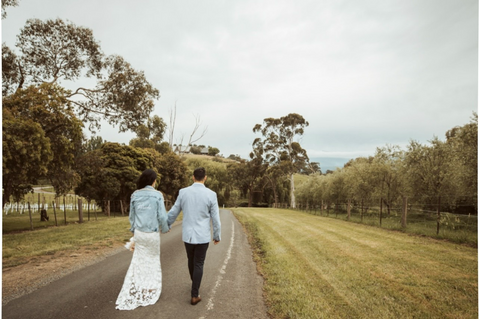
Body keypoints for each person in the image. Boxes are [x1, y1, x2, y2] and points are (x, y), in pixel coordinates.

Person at [116, 169, 170, 310]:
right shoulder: (157, 195)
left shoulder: (135, 195)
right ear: (153, 181)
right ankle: (150, 289)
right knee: (152, 260)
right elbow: (162, 217)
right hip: (152, 234)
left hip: (139, 233)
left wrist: (134, 231)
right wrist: (165, 228)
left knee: (139, 260)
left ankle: (140, 286)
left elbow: (132, 217)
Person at [167, 167, 221, 306]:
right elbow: (215, 218)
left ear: (193, 177)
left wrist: (167, 224)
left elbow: (174, 211)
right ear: (205, 178)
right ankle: (195, 293)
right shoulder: (211, 194)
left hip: (188, 236)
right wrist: (216, 235)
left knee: (191, 260)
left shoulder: (183, 192)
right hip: (202, 236)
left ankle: (194, 285)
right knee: (199, 263)